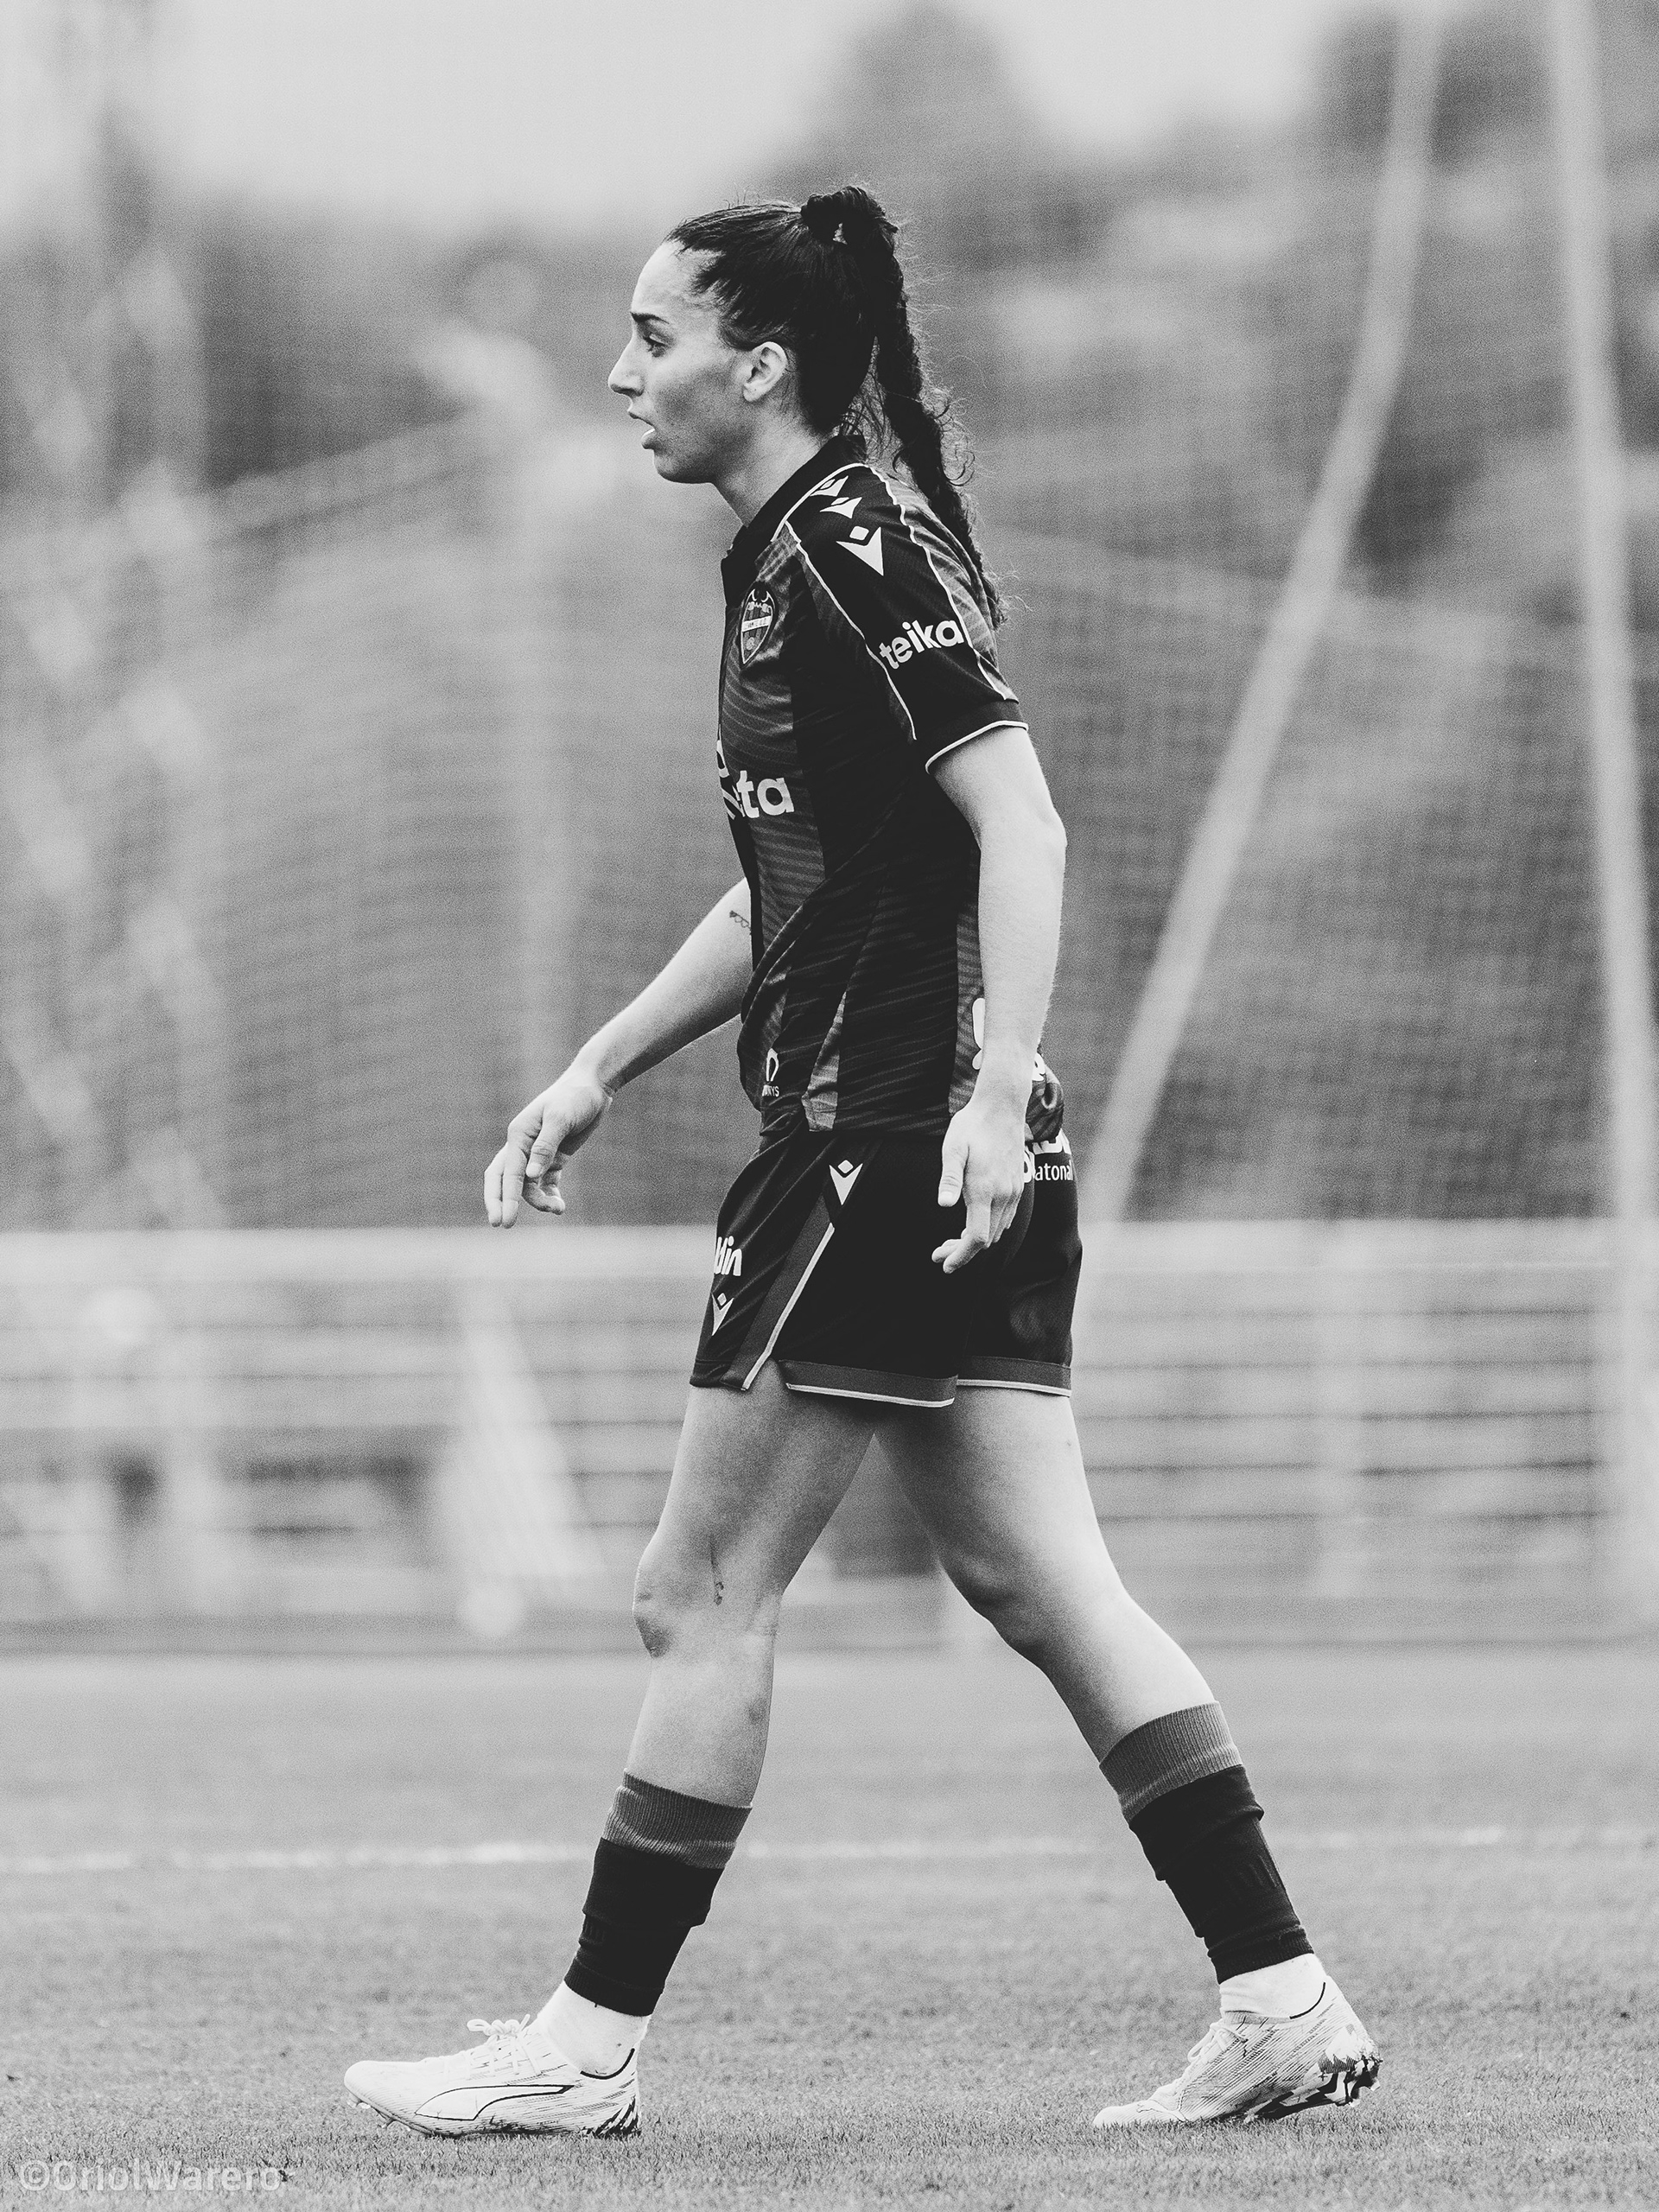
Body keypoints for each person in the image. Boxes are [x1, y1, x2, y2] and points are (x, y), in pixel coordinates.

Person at [343, 186, 1378, 2140]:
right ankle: (1284, 1998)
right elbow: (790, 889)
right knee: (1038, 1575)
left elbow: (1024, 824)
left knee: (699, 1587)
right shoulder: (783, 561)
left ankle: (583, 2048)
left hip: (884, 1146)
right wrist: (599, 1062)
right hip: (930, 1137)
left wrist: (991, 1090)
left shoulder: (846, 552)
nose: (621, 370)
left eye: (654, 335)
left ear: (763, 365)